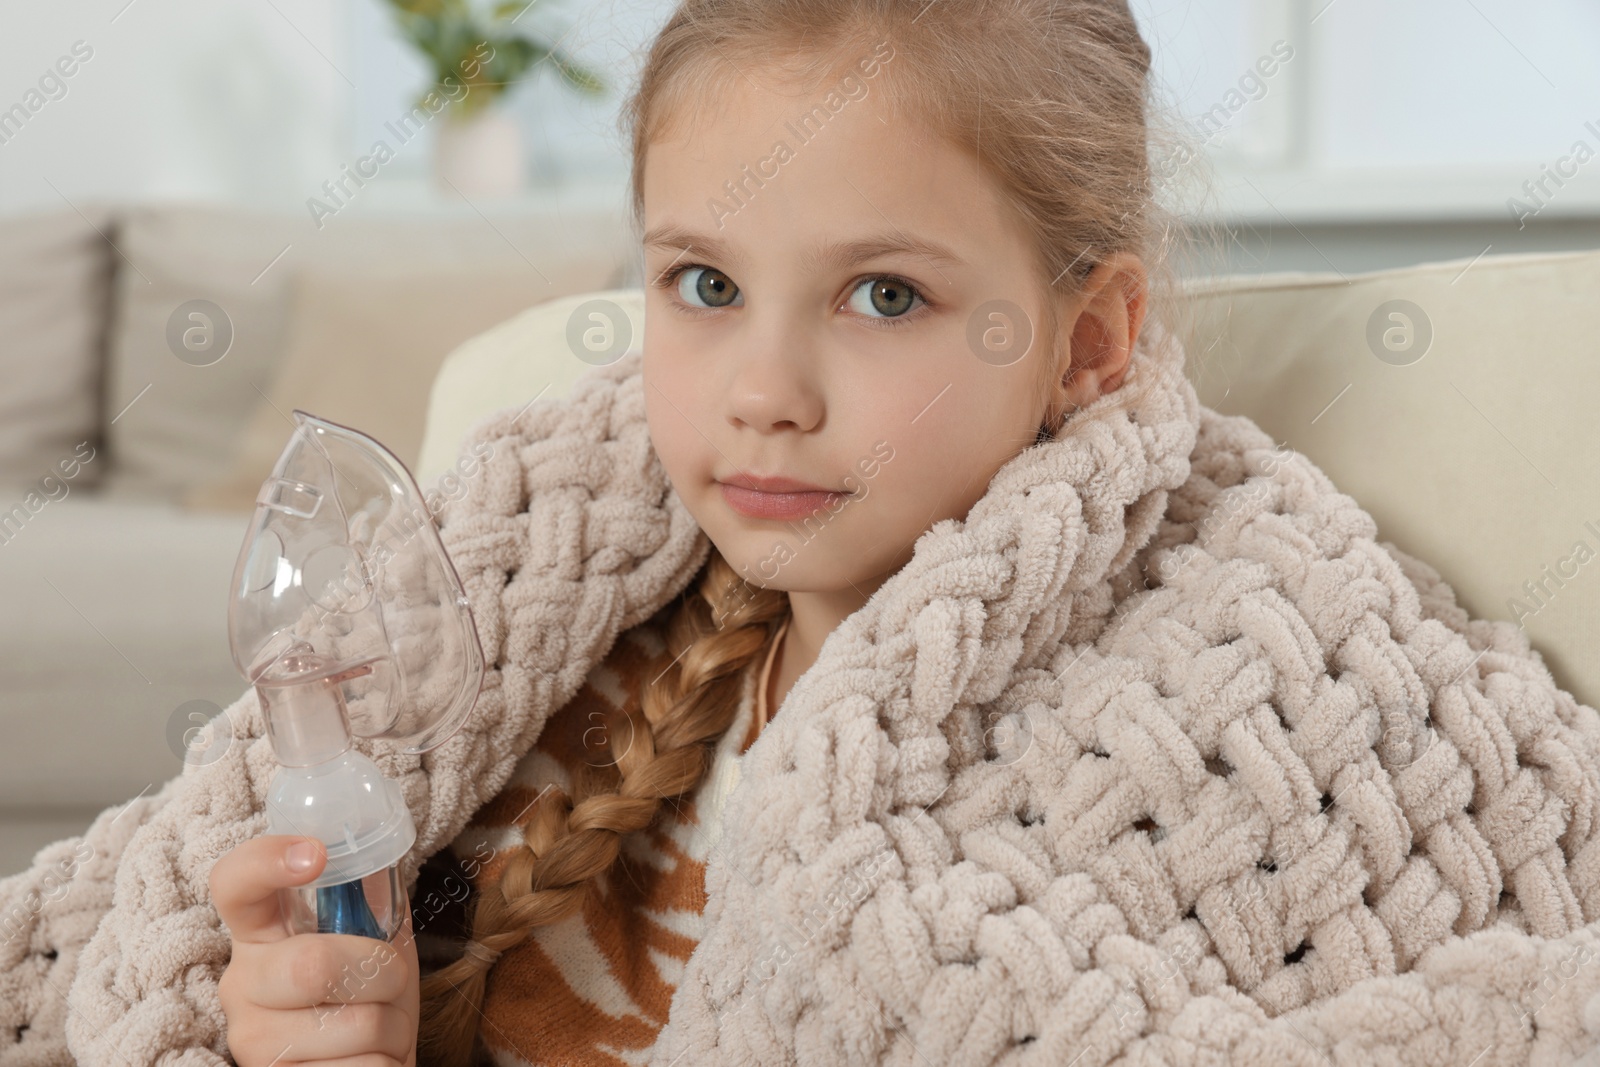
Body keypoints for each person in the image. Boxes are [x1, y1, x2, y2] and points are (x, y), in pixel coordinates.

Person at [9, 2, 1600, 1065]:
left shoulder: (1267, 675)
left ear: (1090, 340)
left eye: (884, 295)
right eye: (704, 284)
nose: (762, 389)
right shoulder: (535, 634)